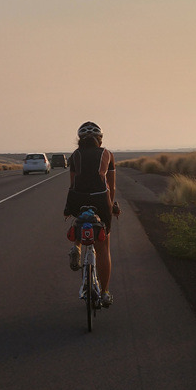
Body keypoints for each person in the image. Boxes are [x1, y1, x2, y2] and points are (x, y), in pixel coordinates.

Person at [64, 121, 120, 307]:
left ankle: (77, 246)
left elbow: (73, 184)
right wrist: (112, 206)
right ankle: (104, 293)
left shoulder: (75, 155)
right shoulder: (107, 154)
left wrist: (68, 207)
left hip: (77, 198)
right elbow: (111, 186)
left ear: (80, 139)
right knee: (103, 248)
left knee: (79, 218)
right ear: (100, 139)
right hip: (100, 199)